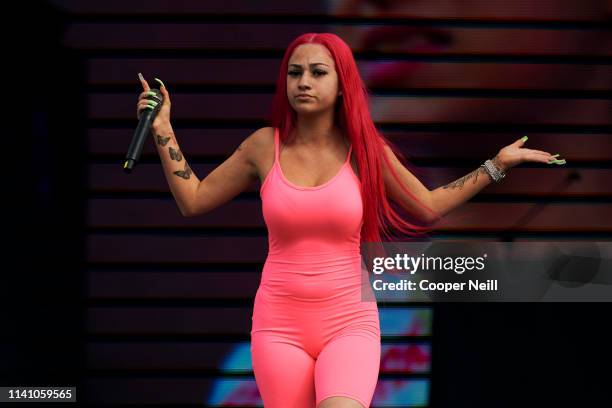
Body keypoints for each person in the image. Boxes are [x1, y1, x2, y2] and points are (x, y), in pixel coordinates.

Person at [135, 33, 563, 408]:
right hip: (278, 323)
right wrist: (163, 129)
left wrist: (498, 164)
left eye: (318, 72)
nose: (303, 81)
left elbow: (430, 205)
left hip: (348, 321)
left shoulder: (366, 149)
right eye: (295, 72)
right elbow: (193, 201)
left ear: (342, 85)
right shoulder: (263, 146)